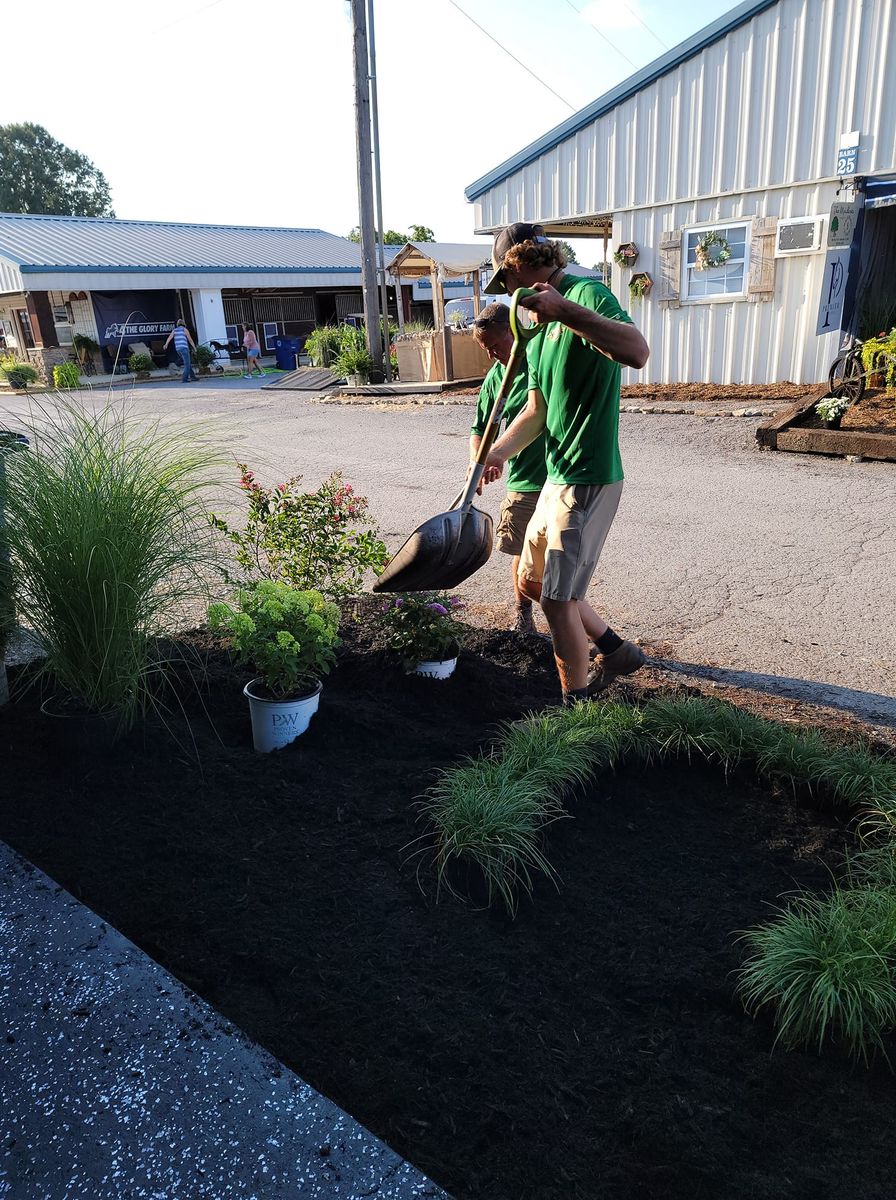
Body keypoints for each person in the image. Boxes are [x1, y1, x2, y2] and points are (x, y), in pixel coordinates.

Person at [482, 222, 650, 706]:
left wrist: (564, 310)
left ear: (522, 267)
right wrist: (496, 453)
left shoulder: (587, 293)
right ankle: (613, 650)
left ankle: (575, 704)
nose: (510, 298)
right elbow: (536, 409)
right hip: (556, 476)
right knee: (531, 581)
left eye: (507, 285)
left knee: (557, 600)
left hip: (588, 477)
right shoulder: (533, 328)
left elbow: (636, 352)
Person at [469, 302, 547, 636]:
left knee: (558, 553)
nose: (492, 355)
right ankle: (522, 612)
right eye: (485, 349)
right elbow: (479, 428)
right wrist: (478, 465)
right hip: (523, 480)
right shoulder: (494, 379)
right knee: (521, 549)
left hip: (558, 474)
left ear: (513, 332)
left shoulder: (540, 363)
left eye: (496, 346)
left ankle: (566, 618)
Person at [163, 318, 198, 383]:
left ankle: (193, 377)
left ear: (177, 324)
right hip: (184, 348)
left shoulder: (174, 330)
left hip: (178, 349)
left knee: (187, 363)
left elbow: (169, 338)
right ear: (184, 324)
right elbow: (190, 339)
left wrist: (166, 344)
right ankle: (184, 379)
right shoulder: (184, 330)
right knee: (187, 364)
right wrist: (194, 348)